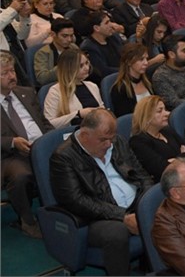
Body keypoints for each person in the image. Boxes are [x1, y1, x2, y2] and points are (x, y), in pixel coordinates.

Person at [50, 109, 153, 276]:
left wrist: (147, 203)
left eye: (111, 138)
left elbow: (141, 174)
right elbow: (76, 200)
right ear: (84, 135)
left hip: (135, 204)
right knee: (116, 233)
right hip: (99, 217)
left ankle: (155, 267)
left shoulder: (116, 141)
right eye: (103, 140)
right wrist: (122, 216)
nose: (109, 144)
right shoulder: (63, 157)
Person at [1, 51, 54, 238]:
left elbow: (45, 123)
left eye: (12, 71)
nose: (12, 76)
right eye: (5, 73)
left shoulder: (27, 93)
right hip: (10, 155)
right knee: (21, 175)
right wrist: (12, 142)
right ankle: (27, 220)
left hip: (41, 146)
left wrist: (50, 140)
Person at [129, 96, 185, 182]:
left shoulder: (167, 130)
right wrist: (182, 156)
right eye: (160, 111)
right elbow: (161, 169)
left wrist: (174, 161)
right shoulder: (138, 141)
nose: (167, 113)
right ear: (146, 117)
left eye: (165, 109)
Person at [44, 48, 104, 128]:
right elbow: (50, 123)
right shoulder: (55, 91)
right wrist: (78, 114)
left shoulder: (92, 86)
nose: (87, 68)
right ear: (68, 69)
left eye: (87, 63)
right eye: (81, 66)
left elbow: (102, 108)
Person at [79, 10, 123, 84]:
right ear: (97, 28)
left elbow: (126, 54)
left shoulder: (114, 37)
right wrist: (127, 70)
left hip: (123, 77)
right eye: (107, 23)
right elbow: (103, 71)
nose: (111, 25)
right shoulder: (89, 47)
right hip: (108, 83)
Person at [110, 42, 153, 116]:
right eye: (141, 59)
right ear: (129, 62)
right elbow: (126, 119)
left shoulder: (148, 81)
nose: (146, 63)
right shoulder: (119, 89)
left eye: (146, 58)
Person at [34, 17, 78, 86]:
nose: (69, 39)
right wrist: (64, 65)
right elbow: (42, 78)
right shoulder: (43, 53)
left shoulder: (73, 47)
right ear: (53, 34)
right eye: (65, 36)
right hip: (56, 88)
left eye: (71, 36)